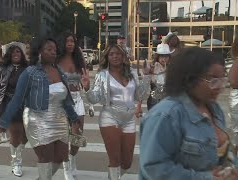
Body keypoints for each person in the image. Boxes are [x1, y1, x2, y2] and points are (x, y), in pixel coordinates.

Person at [139, 47, 238, 180]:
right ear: (190, 79)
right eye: (213, 80)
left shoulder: (215, 109)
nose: (220, 87)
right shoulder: (166, 115)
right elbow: (154, 168)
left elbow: (220, 158)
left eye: (222, 79)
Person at [0, 37, 80, 180]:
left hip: (59, 120)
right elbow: (17, 100)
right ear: (39, 51)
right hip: (38, 119)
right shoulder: (30, 73)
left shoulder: (59, 71)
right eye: (49, 49)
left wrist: (74, 118)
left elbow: (66, 100)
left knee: (60, 156)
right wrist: (3, 122)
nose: (54, 52)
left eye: (55, 50)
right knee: (46, 158)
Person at [82, 44, 150, 180]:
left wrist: (147, 76)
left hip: (129, 119)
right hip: (110, 117)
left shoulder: (131, 73)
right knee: (115, 160)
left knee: (127, 162)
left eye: (118, 54)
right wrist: (87, 88)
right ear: (107, 57)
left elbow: (140, 96)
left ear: (123, 56)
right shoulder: (103, 75)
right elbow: (95, 99)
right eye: (111, 54)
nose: (115, 56)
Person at [0, 42, 28, 177]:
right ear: (9, 55)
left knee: (26, 136)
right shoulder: (3, 69)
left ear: (21, 55)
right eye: (13, 52)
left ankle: (17, 152)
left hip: (27, 105)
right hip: (9, 105)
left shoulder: (28, 68)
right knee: (16, 134)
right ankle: (16, 161)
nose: (15, 54)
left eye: (18, 52)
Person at [57, 32, 86, 179]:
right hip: (61, 101)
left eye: (73, 41)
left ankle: (72, 159)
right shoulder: (56, 60)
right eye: (67, 41)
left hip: (77, 99)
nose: (70, 44)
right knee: (63, 136)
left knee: (77, 134)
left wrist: (86, 86)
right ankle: (66, 166)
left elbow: (85, 83)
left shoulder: (79, 60)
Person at [147, 43, 174, 110]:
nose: (164, 59)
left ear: (169, 57)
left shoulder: (172, 67)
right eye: (161, 56)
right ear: (157, 57)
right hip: (155, 98)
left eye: (166, 56)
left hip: (168, 98)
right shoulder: (153, 67)